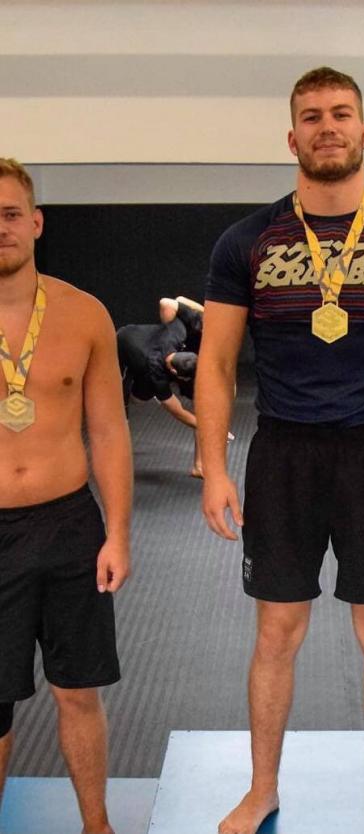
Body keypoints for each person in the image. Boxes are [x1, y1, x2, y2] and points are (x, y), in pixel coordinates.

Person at [196, 67, 364, 834]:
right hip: (283, 454)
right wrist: (213, 466)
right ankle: (261, 789)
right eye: (312, 116)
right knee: (276, 633)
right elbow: (215, 362)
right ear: (292, 138)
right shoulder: (246, 241)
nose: (328, 127)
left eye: (341, 113)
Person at [0, 158, 131, 834]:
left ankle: (96, 827)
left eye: (10, 214)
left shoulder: (84, 314)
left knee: (78, 692)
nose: (0, 228)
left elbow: (108, 431)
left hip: (69, 524)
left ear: (36, 222)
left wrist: (119, 534)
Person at [117, 308, 202, 476]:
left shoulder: (178, 332)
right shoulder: (154, 370)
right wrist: (210, 429)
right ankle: (120, 459)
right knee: (123, 404)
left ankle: (199, 466)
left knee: (144, 396)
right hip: (122, 344)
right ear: (176, 373)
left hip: (146, 346)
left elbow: (167, 302)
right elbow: (177, 412)